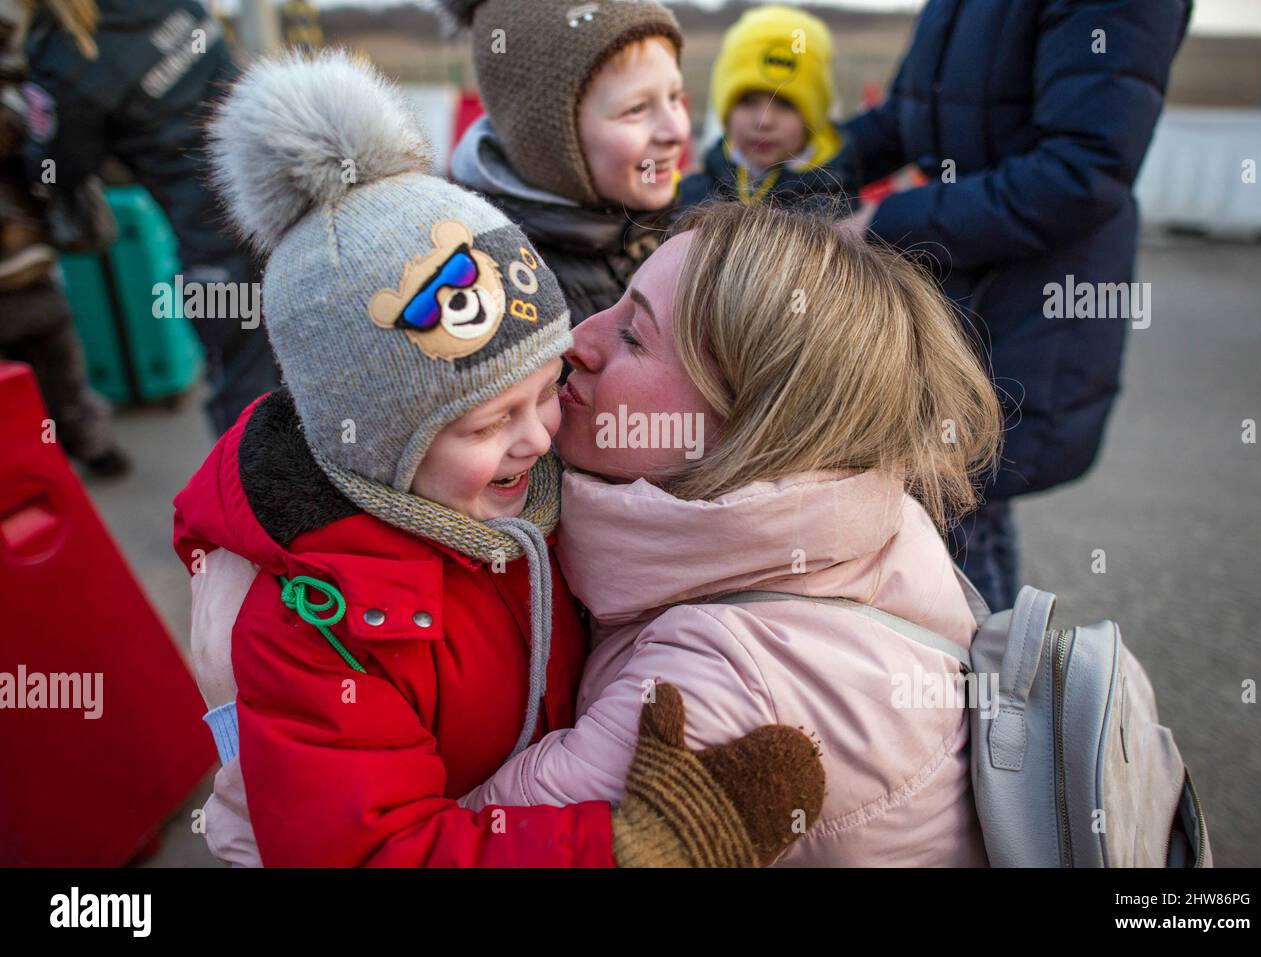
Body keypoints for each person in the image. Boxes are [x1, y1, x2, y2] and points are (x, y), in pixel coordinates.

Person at [191, 199, 1004, 866]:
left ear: (751, 425)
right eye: (616, 298)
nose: (578, 337)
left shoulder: (723, 685)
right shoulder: (863, 510)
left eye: (635, 334)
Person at [175, 52, 823, 868]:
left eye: (546, 389)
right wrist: (623, 849)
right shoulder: (314, 629)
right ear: (376, 441)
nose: (540, 438)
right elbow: (375, 850)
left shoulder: (526, 498)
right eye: (488, 423)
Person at [838, 0, 1192, 610]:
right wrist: (792, 169)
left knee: (959, 535)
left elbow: (1080, 173)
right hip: (957, 302)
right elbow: (909, 118)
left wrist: (884, 222)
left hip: (1027, 309)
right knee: (949, 520)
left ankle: (998, 697)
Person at [20, 0, 281, 434]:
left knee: (243, 390)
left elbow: (57, 168)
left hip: (213, 240)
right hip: (289, 195)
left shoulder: (65, 53)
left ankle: (253, 498)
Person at [444, 0, 690, 324]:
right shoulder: (501, 296)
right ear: (547, 138)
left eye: (674, 97)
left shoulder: (673, 237)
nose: (676, 130)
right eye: (636, 109)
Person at [0, 0, 127, 475]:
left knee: (56, 367)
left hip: (27, 261)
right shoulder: (26, 83)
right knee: (54, 370)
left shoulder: (27, 81)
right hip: (26, 259)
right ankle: (63, 455)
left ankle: (62, 454)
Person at [677, 4, 860, 214]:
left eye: (785, 104)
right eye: (747, 101)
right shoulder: (693, 196)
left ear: (815, 114)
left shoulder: (839, 211)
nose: (764, 121)